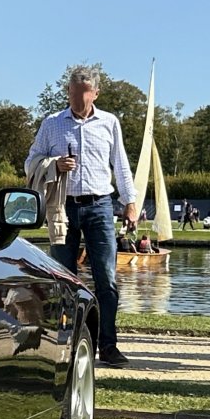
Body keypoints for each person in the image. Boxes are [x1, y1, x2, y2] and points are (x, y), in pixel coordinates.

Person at [26, 67, 139, 367]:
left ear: (95, 94)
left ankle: (108, 344)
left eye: (84, 94)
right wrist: (54, 165)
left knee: (106, 278)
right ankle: (68, 344)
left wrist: (130, 202)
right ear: (68, 93)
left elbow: (121, 164)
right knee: (63, 279)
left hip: (100, 204)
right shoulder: (52, 124)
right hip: (63, 207)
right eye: (73, 94)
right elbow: (30, 162)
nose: (77, 100)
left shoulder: (109, 122)